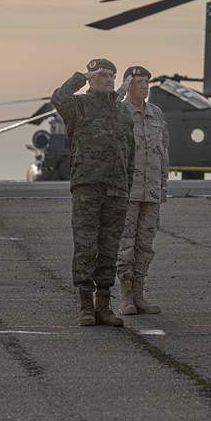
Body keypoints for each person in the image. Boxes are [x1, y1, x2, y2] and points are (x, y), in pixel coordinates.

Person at [51, 59, 135, 326]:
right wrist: (81, 75)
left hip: (117, 190)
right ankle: (85, 304)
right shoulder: (79, 107)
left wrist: (126, 186)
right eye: (102, 75)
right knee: (86, 248)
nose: (109, 78)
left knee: (110, 250)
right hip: (88, 187)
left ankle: (104, 304)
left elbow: (130, 155)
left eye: (111, 75)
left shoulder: (123, 113)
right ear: (91, 80)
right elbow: (58, 96)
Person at [114, 66, 168, 315]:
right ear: (128, 85)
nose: (145, 86)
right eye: (139, 82)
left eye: (147, 81)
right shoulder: (118, 111)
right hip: (127, 190)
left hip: (152, 191)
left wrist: (163, 183)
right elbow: (106, 108)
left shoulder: (156, 113)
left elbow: (163, 150)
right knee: (125, 243)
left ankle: (139, 294)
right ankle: (125, 295)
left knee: (145, 244)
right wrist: (121, 89)